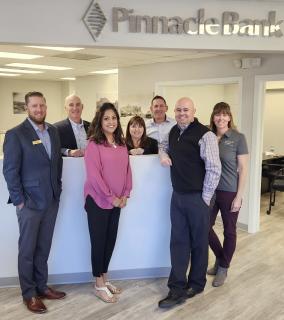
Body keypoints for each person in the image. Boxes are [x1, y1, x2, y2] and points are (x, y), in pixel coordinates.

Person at [3, 91, 65, 314]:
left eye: (42, 105)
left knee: (43, 248)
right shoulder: (16, 134)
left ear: (46, 106)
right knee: (27, 250)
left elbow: (56, 162)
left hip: (51, 201)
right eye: (34, 106)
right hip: (29, 204)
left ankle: (41, 286)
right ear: (27, 108)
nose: (39, 109)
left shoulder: (54, 131)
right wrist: (19, 201)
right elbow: (10, 171)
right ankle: (28, 294)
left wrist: (58, 188)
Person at [158, 97, 221, 309]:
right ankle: (176, 287)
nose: (181, 113)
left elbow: (214, 169)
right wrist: (162, 154)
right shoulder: (174, 131)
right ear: (173, 112)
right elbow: (162, 144)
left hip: (198, 198)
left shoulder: (206, 135)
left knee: (199, 243)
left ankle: (197, 283)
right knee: (178, 242)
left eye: (186, 110)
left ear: (194, 111)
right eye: (178, 110)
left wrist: (204, 199)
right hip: (177, 196)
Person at [84, 102, 132, 303]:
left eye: (114, 118)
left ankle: (104, 278)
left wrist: (126, 194)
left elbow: (127, 171)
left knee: (110, 241)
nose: (111, 121)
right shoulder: (94, 145)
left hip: (117, 202)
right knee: (99, 243)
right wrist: (112, 198)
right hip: (98, 201)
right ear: (100, 121)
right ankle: (98, 284)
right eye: (106, 118)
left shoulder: (121, 143)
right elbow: (94, 177)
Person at [207, 102, 248, 287]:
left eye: (224, 115)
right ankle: (222, 258)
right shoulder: (207, 136)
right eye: (217, 114)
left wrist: (239, 196)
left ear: (230, 117)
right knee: (204, 227)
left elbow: (243, 168)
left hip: (229, 191)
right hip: (209, 190)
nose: (221, 118)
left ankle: (223, 268)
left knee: (229, 231)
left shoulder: (238, 138)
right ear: (213, 117)